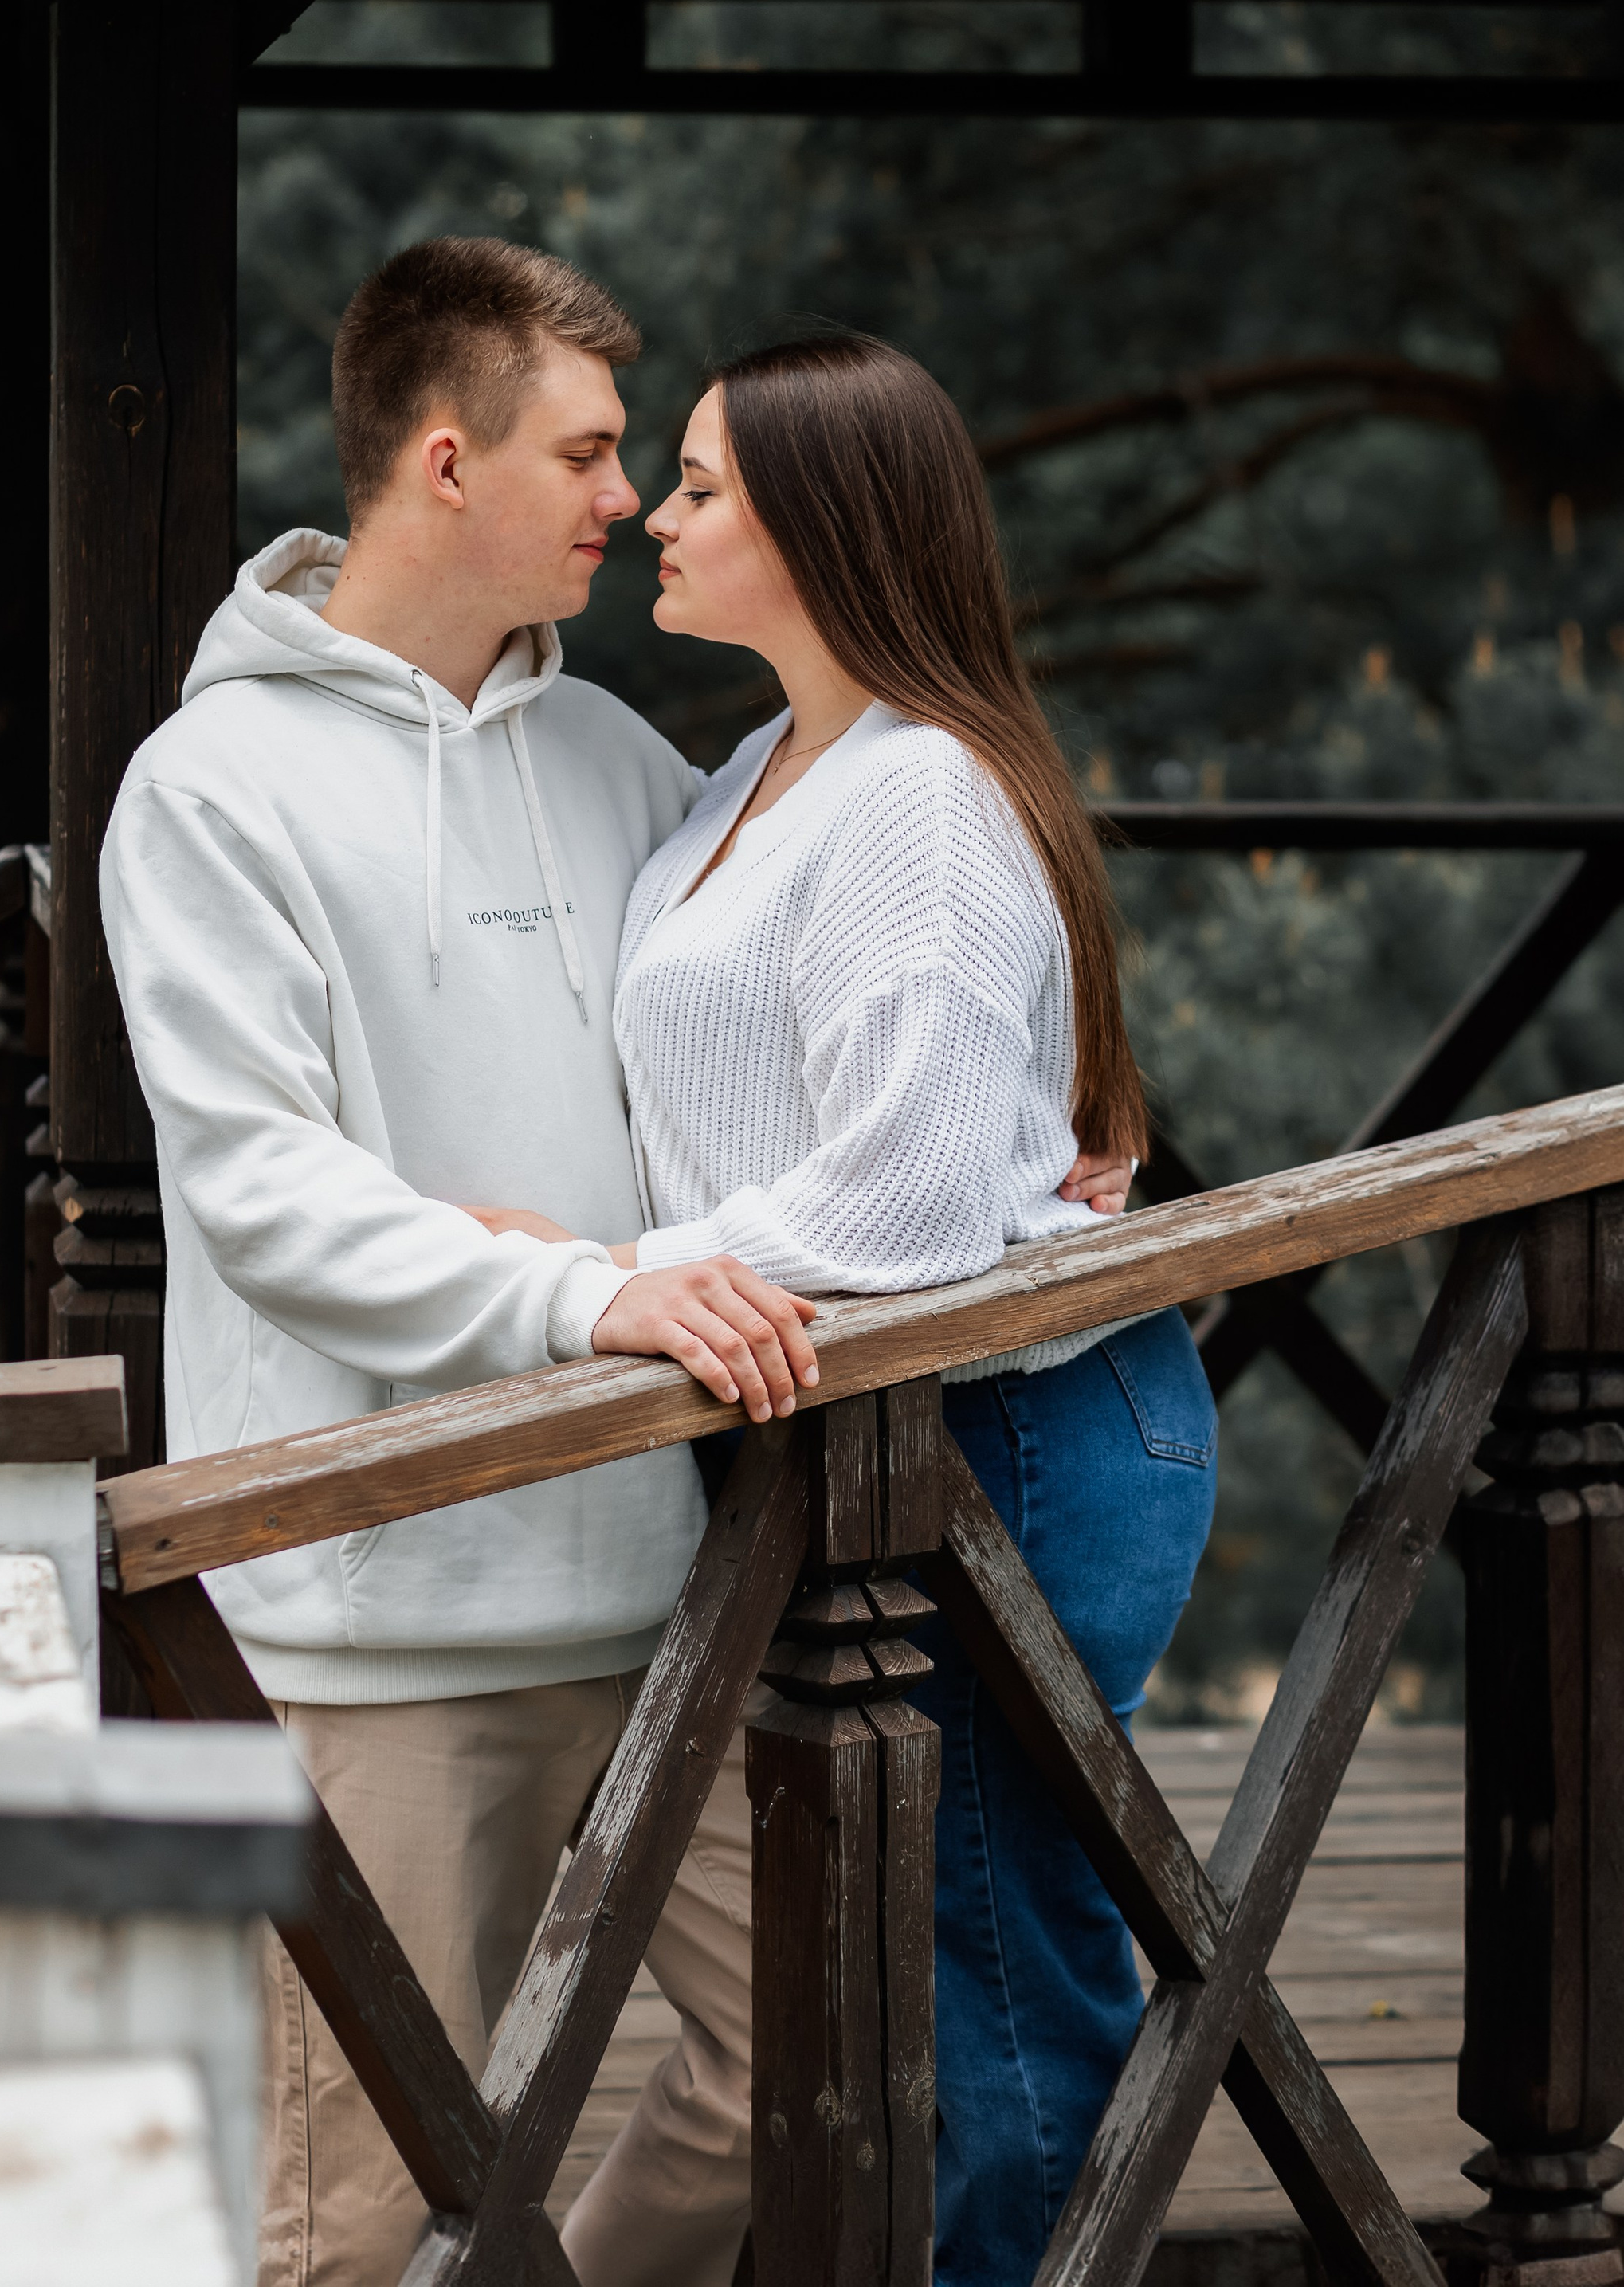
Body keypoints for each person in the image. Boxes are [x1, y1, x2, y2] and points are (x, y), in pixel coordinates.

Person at [100, 238, 824, 2287]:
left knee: (811, 2068)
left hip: (656, 1588)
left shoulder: (615, 764)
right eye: (593, 451)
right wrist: (573, 1295)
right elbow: (264, 1196)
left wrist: (1045, 1100)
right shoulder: (211, 789)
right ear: (444, 459)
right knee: (348, 2227)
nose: (631, 498)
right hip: (371, 1621)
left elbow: (776, 1022)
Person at [470, 332, 1212, 2287]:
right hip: (866, 1423)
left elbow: (897, 1197)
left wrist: (601, 1284)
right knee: (915, 1961)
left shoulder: (915, 800)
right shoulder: (751, 772)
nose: (655, 510)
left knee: (992, 1968)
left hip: (1015, 1433)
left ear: (817, 523)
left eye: (701, 482)